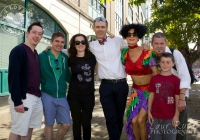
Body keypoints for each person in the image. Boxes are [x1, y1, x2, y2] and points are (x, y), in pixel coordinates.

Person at [89, 17, 129, 140]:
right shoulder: (91, 45)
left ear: (106, 28)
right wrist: (52, 49)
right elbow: (74, 51)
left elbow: (132, 46)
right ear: (94, 28)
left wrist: (143, 45)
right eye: (98, 27)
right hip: (105, 86)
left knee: (118, 117)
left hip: (121, 85)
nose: (100, 29)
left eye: (102, 27)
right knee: (110, 117)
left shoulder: (117, 41)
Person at [119, 24, 159, 140]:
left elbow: (156, 75)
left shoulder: (147, 53)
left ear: (139, 36)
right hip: (136, 93)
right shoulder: (124, 54)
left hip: (149, 91)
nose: (131, 36)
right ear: (125, 37)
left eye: (134, 34)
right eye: (129, 34)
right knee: (134, 120)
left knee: (141, 120)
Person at [151, 32, 191, 140]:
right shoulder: (152, 56)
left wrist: (182, 98)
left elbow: (185, 76)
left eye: (161, 43)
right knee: (166, 131)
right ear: (152, 44)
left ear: (166, 43)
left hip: (179, 97)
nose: (159, 46)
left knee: (180, 130)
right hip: (163, 100)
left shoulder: (175, 53)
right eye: (156, 43)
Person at [8, 22, 43, 140]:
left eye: (39, 34)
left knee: (28, 129)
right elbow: (13, 77)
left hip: (36, 97)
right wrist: (17, 101)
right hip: (23, 97)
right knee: (17, 131)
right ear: (27, 33)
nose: (36, 36)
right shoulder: (19, 50)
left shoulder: (35, 52)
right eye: (34, 32)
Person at [39, 32, 71, 140]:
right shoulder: (42, 56)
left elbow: (68, 76)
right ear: (51, 42)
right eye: (57, 41)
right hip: (47, 94)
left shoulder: (65, 58)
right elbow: (35, 74)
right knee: (49, 124)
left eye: (62, 42)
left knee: (66, 124)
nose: (59, 44)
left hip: (62, 95)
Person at [67, 33, 96, 140]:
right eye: (77, 42)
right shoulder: (70, 58)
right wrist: (50, 47)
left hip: (88, 95)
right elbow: (60, 51)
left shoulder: (92, 57)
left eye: (83, 42)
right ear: (74, 45)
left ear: (86, 43)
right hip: (74, 95)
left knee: (87, 123)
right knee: (76, 122)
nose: (80, 44)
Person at [148, 52, 180, 140]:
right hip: (155, 116)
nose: (165, 65)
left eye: (168, 62)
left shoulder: (176, 80)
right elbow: (151, 95)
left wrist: (176, 115)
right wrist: (149, 112)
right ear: (159, 63)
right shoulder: (154, 79)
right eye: (162, 62)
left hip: (170, 117)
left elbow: (177, 98)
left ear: (173, 64)